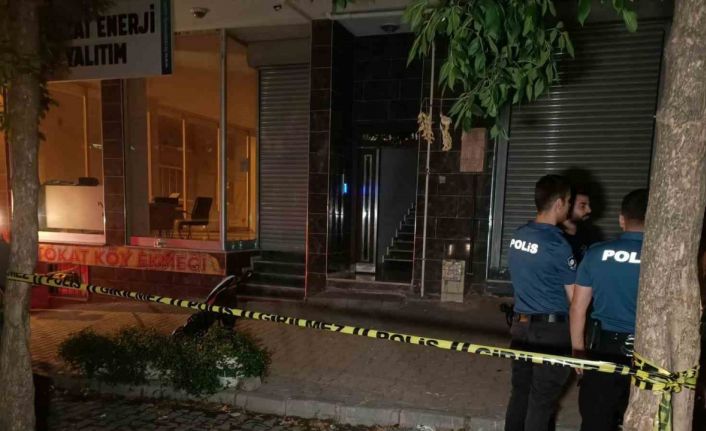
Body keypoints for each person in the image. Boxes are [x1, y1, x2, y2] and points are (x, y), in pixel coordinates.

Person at [569, 188, 648, 431]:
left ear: (622, 219)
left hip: (604, 348)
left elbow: (577, 308)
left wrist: (577, 351)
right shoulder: (663, 257)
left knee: (596, 418)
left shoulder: (596, 254)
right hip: (649, 351)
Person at [505, 174, 577, 431]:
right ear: (558, 203)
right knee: (542, 399)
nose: (569, 206)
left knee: (521, 392)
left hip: (521, 326)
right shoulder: (558, 245)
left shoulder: (518, 235)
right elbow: (574, 298)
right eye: (569, 201)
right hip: (551, 331)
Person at [561, 186, 594, 264]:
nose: (589, 210)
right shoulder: (556, 237)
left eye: (589, 205)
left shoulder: (589, 234)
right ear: (568, 206)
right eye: (582, 206)